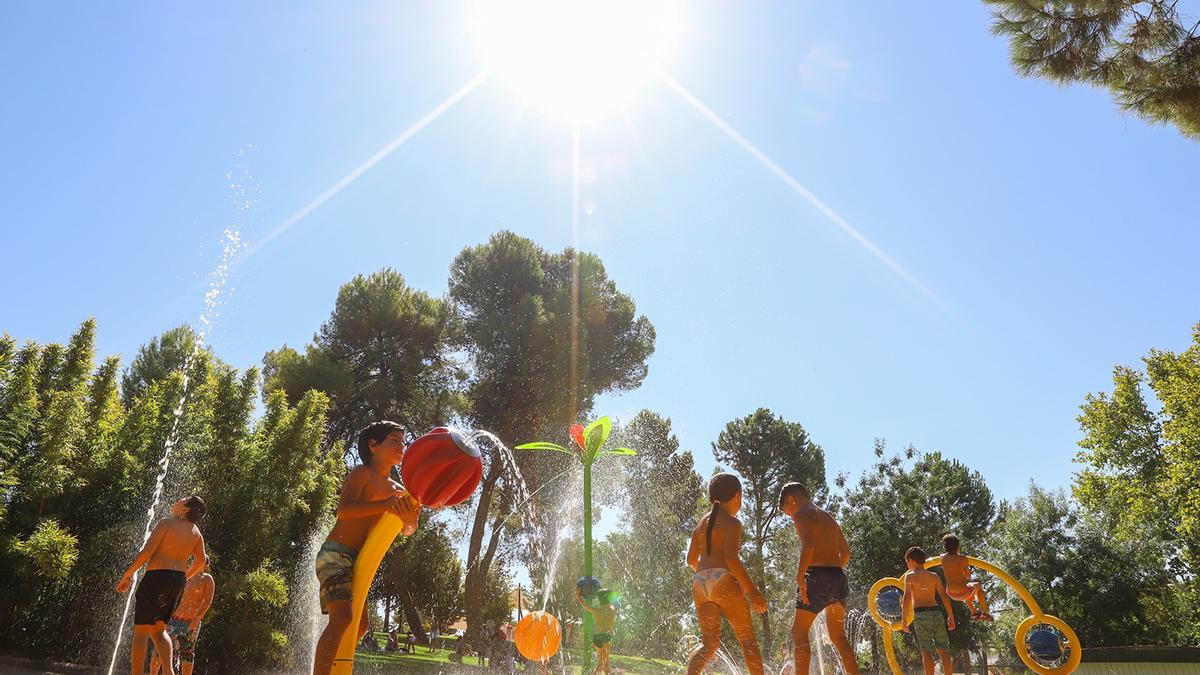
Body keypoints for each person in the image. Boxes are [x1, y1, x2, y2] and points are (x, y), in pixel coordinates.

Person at [311, 421, 422, 675]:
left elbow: (407, 529)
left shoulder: (399, 491)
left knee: (359, 627)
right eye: (394, 440)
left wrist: (410, 520)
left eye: (404, 442)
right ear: (373, 445)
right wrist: (384, 505)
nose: (402, 446)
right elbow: (344, 510)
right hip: (335, 554)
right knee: (342, 619)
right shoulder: (362, 474)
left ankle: (337, 670)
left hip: (360, 561)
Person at [685, 472, 767, 675]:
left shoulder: (701, 524)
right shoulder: (732, 523)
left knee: (709, 644)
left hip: (699, 583)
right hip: (722, 580)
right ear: (737, 496)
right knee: (747, 640)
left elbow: (691, 560)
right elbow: (731, 558)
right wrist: (752, 591)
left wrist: (708, 576)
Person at [116, 495, 208, 675]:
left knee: (142, 630)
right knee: (159, 630)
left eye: (183, 499)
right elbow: (201, 561)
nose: (178, 499)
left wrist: (128, 574)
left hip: (156, 577)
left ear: (185, 509)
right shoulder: (196, 532)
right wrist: (185, 576)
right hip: (177, 582)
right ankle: (168, 672)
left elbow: (147, 552)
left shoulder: (166, 523)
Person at [779, 482, 860, 675]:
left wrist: (800, 577)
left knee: (799, 633)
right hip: (838, 577)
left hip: (814, 577)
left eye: (787, 511)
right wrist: (832, 575)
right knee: (839, 637)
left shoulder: (801, 515)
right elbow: (846, 553)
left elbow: (808, 546)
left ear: (792, 499)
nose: (790, 517)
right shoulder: (828, 517)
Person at [149, 555, 215, 675]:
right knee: (159, 649)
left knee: (187, 654)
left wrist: (197, 618)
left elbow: (207, 601)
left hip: (190, 622)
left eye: (199, 560)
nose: (196, 561)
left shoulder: (207, 579)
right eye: (195, 559)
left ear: (205, 565)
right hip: (172, 619)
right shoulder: (183, 574)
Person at [901, 546, 956, 675]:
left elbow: (907, 598)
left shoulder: (909, 577)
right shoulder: (933, 576)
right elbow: (944, 596)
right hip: (936, 613)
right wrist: (951, 616)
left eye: (907, 562)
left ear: (911, 560)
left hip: (921, 615)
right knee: (944, 650)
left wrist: (904, 619)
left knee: (926, 652)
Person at [939, 533, 993, 621]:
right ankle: (985, 612)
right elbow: (968, 576)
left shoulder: (942, 558)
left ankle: (975, 613)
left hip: (950, 594)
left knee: (969, 593)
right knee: (977, 585)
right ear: (958, 546)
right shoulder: (963, 559)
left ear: (945, 547)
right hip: (962, 592)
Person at [575, 587, 617, 674]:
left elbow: (585, 606)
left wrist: (579, 597)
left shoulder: (596, 610)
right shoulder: (612, 609)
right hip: (605, 638)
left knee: (605, 664)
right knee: (601, 664)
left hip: (597, 638)